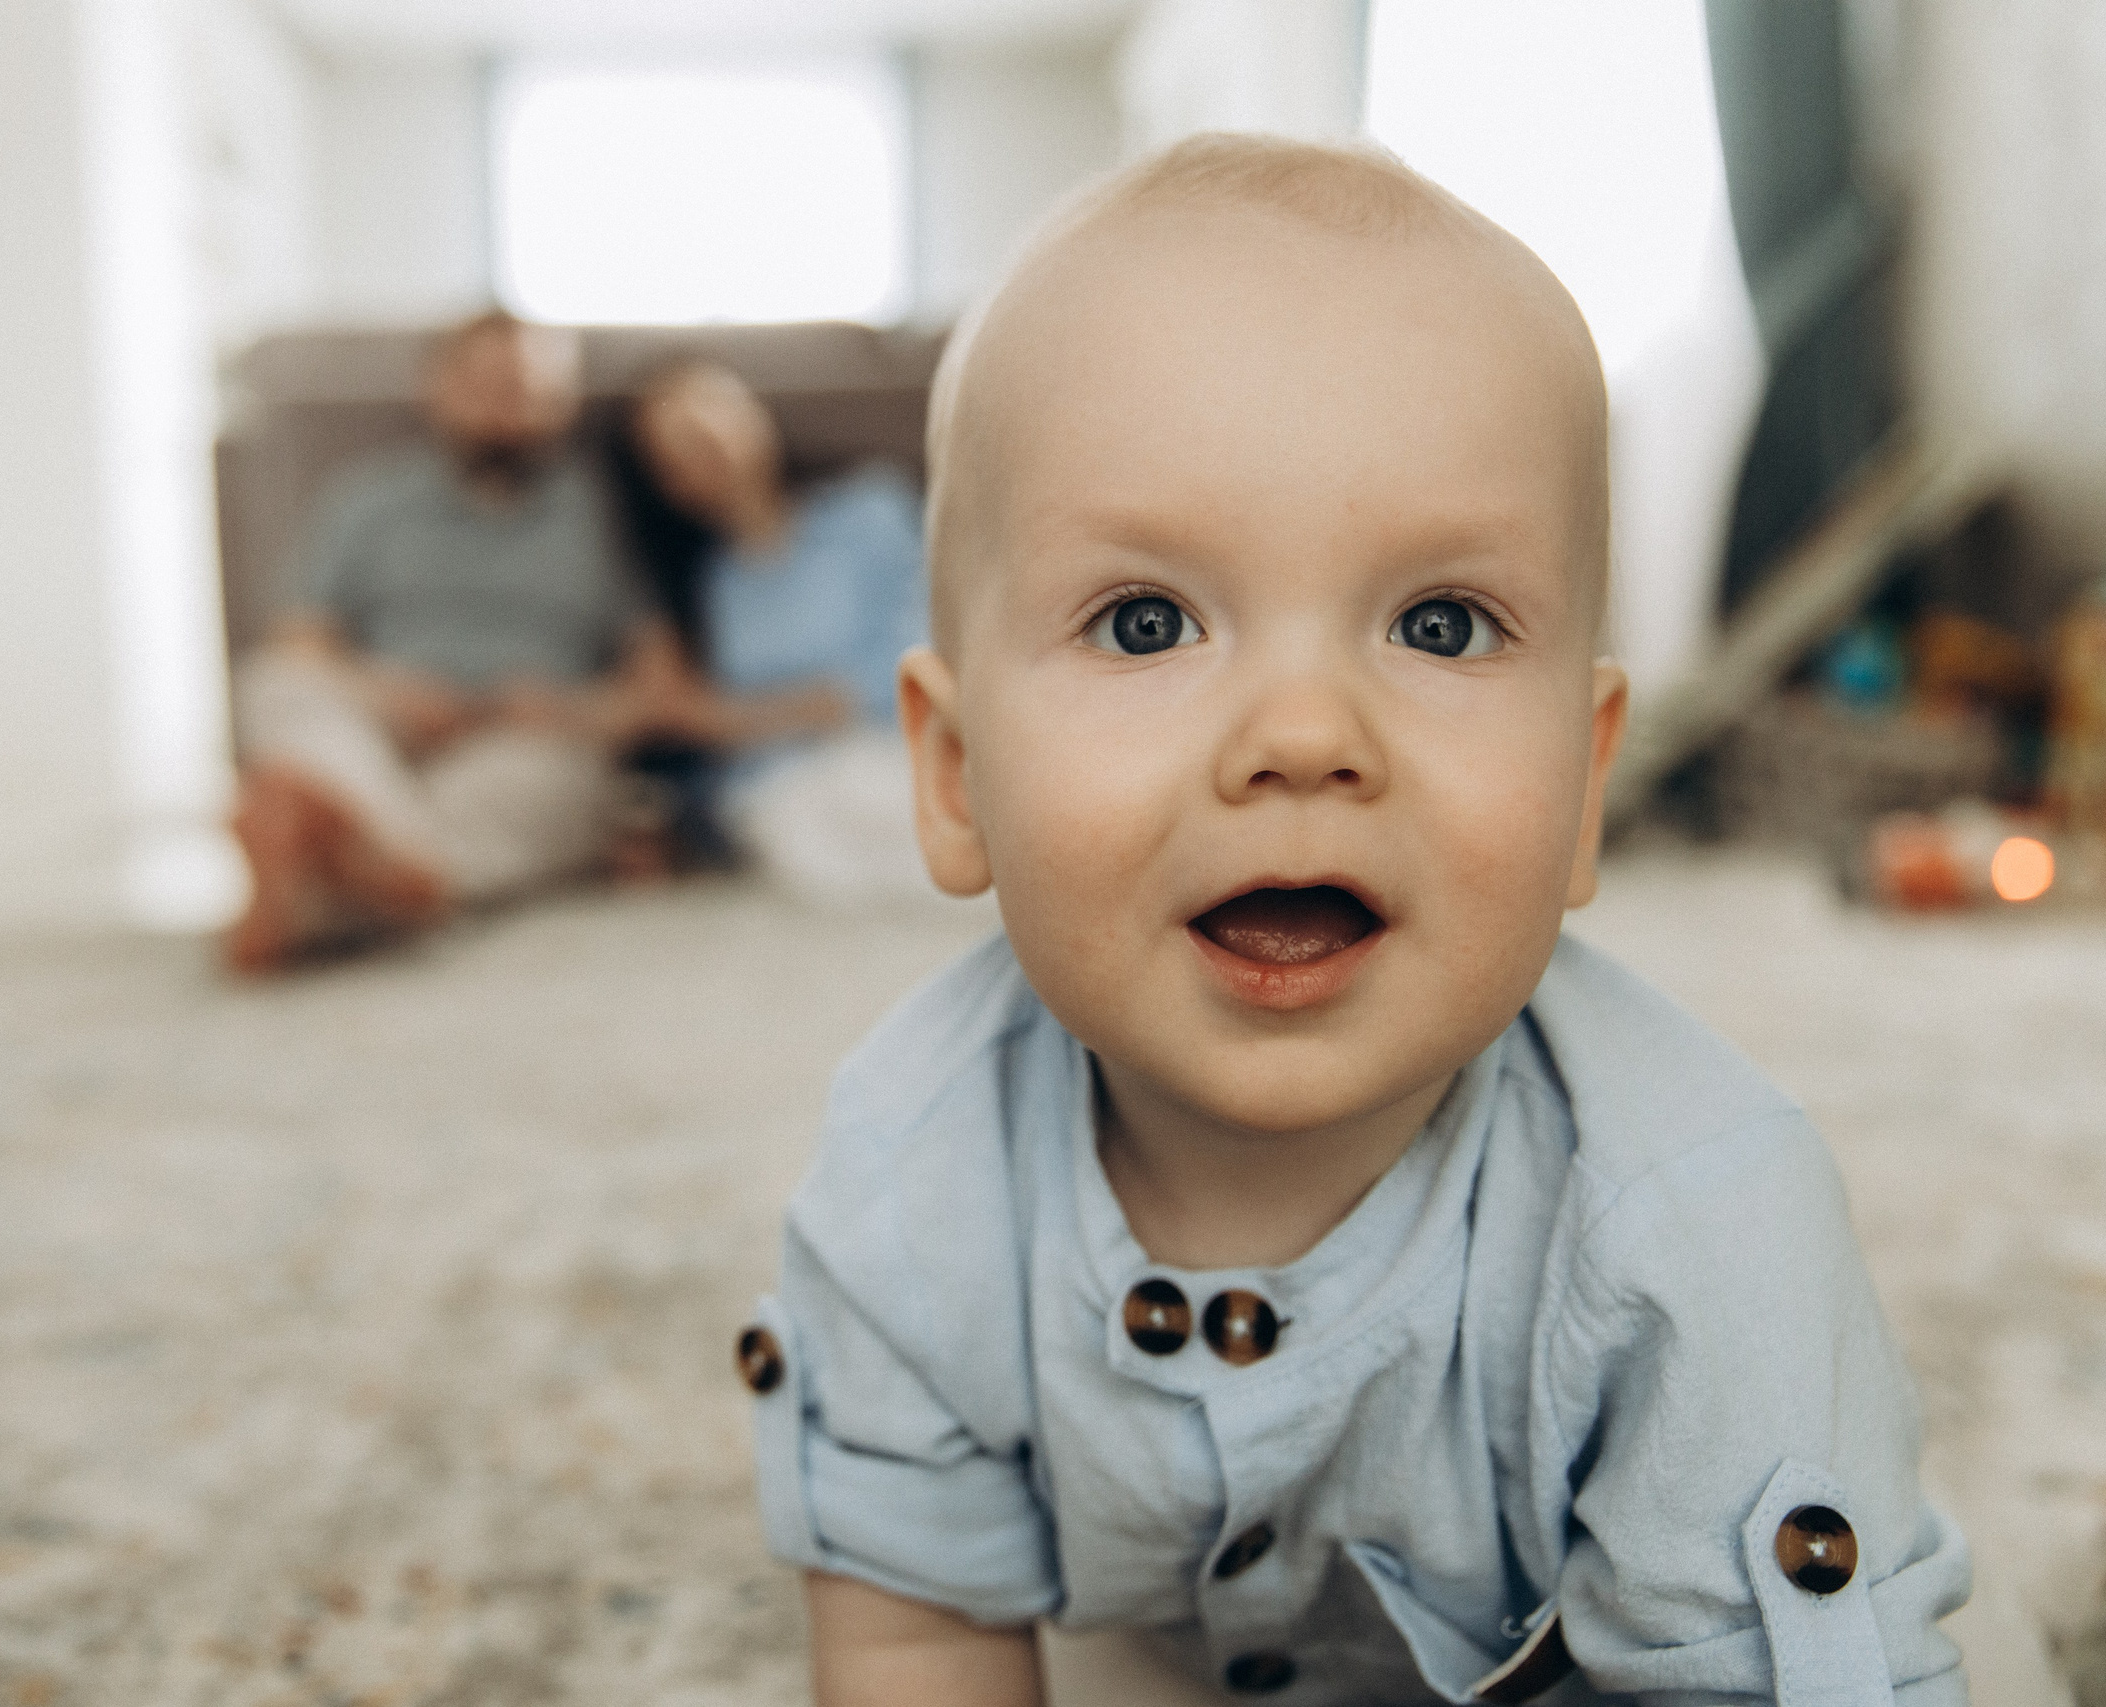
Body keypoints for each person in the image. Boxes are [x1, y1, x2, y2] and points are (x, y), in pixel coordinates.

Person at [735, 135, 1968, 1705]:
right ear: (959, 775)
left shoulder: (1697, 1223)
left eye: (1440, 624)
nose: (1304, 731)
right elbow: (916, 1631)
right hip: (1163, 1635)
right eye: (1147, 619)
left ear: (1584, 786)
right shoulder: (913, 1171)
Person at [226, 310, 691, 973]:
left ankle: (329, 874)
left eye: (533, 387)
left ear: (566, 402)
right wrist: (389, 692)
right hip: (382, 727)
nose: (510, 404)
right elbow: (300, 645)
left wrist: (566, 709)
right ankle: (366, 850)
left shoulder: (608, 512)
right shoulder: (368, 497)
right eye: (489, 383)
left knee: (556, 782)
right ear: (436, 388)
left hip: (528, 734)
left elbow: (662, 689)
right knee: (275, 683)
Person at [626, 359, 937, 904]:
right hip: (777, 791)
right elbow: (699, 749)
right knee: (807, 838)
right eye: (676, 449)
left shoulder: (870, 509)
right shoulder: (702, 585)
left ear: (756, 413)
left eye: (712, 416)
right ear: (665, 483)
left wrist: (739, 719)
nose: (706, 446)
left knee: (891, 800)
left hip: (895, 743)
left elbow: (917, 654)